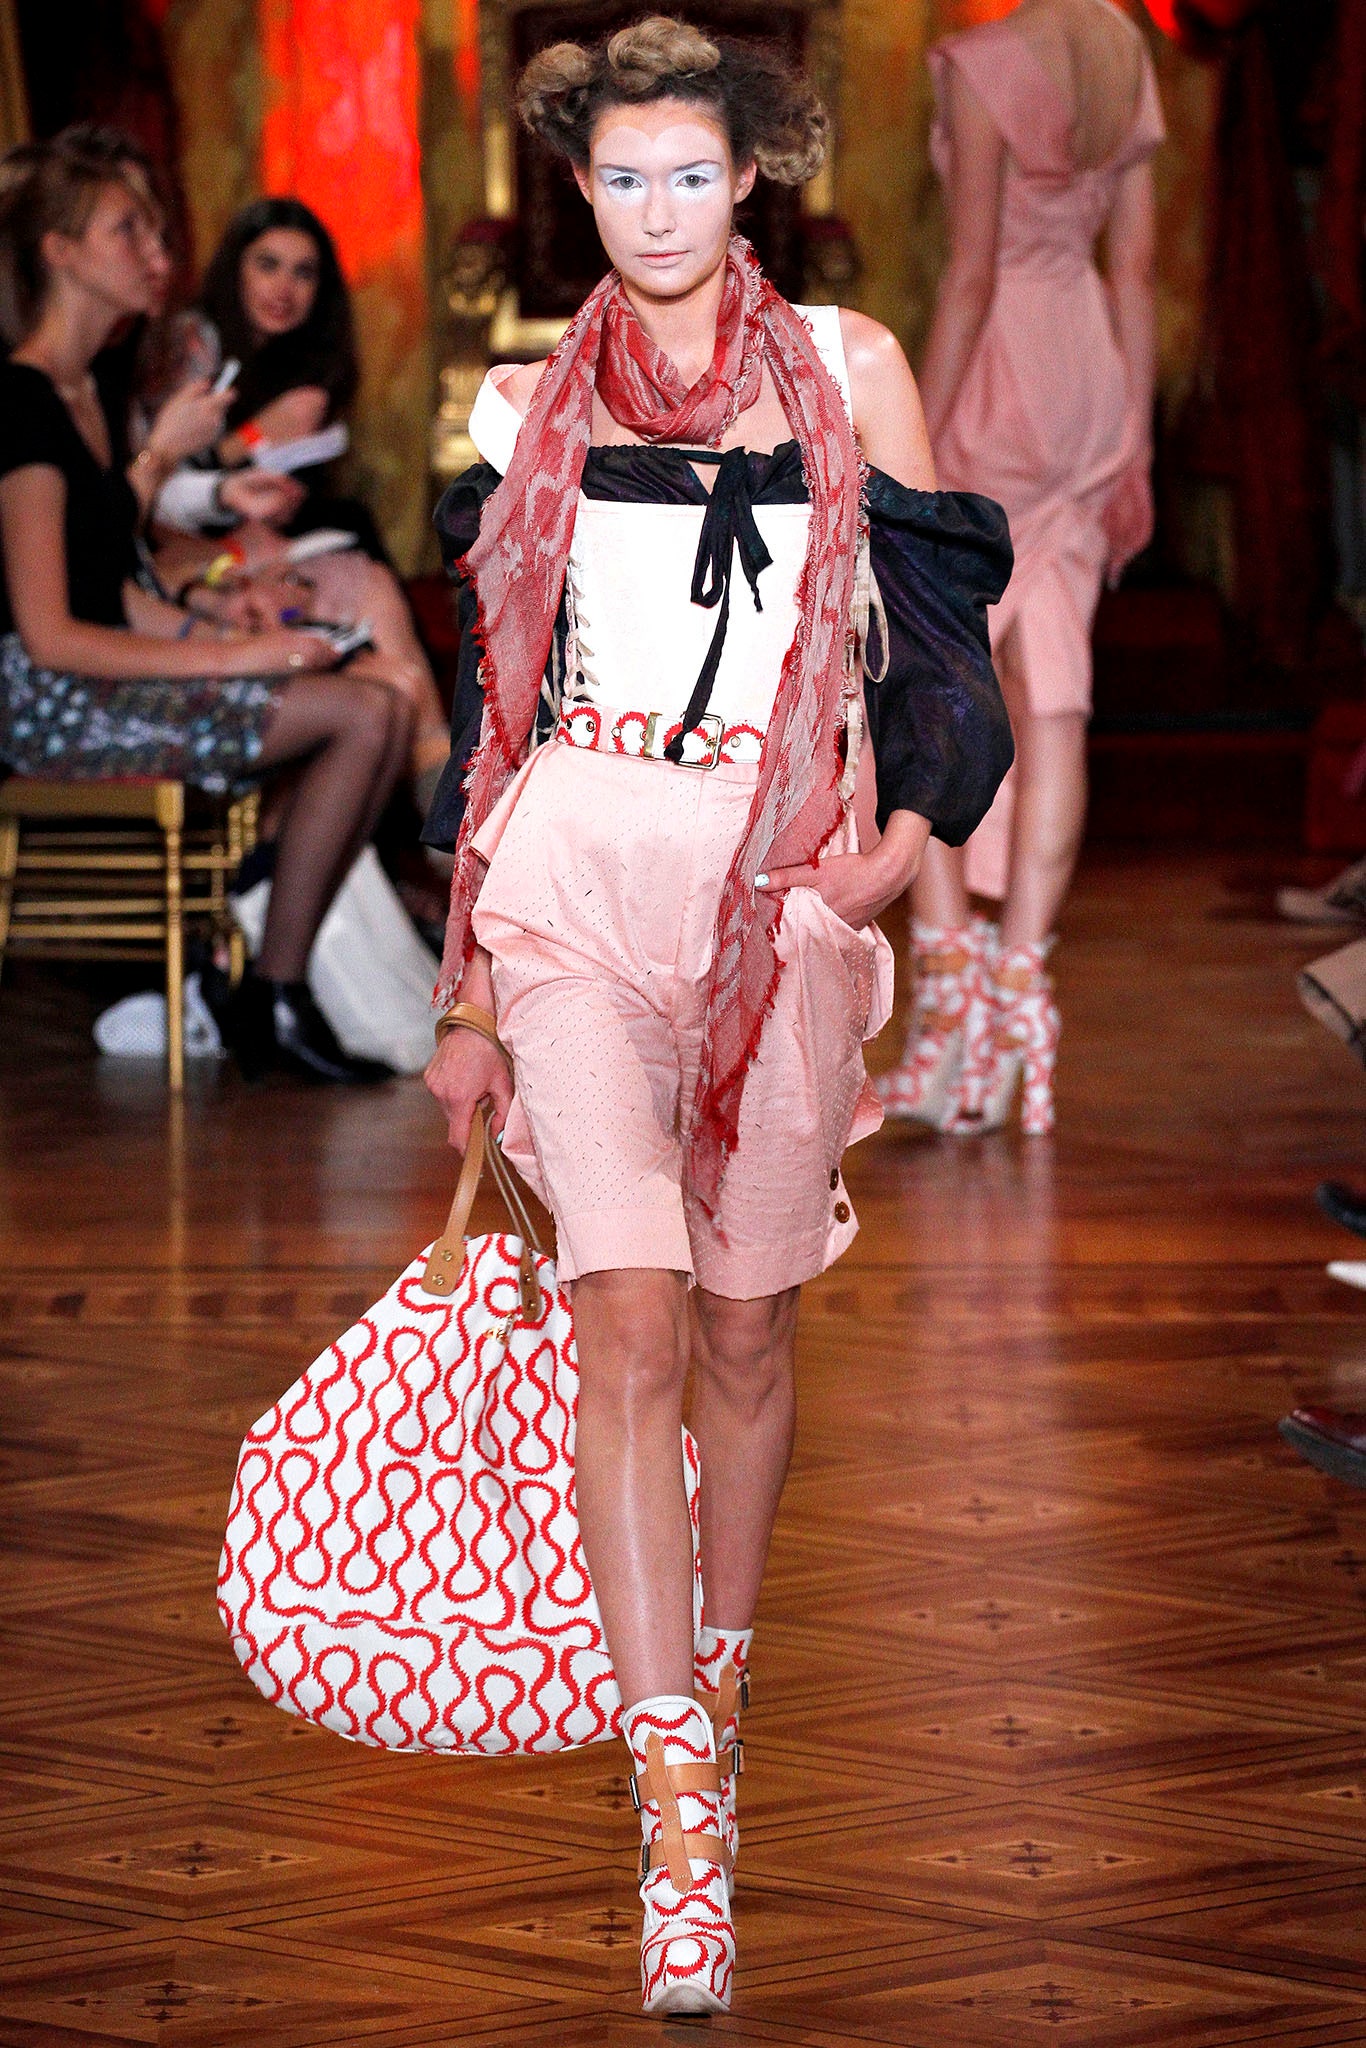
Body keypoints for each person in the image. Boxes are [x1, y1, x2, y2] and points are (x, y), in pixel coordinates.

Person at [422, 15, 1012, 2015]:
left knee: (749, 1333)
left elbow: (939, 643)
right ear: (574, 192)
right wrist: (470, 986)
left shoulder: (848, 371)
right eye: (619, 176)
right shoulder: (524, 408)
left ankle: (718, 1686)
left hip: (776, 897)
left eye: (691, 171)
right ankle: (679, 1812)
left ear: (747, 175)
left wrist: (893, 846)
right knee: (632, 1310)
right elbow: (486, 720)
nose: (656, 208)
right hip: (575, 868)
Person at [0, 128, 410, 1083]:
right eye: (126, 233)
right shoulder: (22, 403)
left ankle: (267, 973)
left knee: (375, 703)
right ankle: (270, 983)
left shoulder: (88, 391)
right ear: (60, 252)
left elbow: (116, 587)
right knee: (362, 714)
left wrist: (223, 625)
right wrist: (237, 657)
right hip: (44, 700)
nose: (156, 255)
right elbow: (49, 632)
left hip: (93, 676)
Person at [875, 0, 1163, 1135]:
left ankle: (947, 1003)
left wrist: (909, 447)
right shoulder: (1122, 50)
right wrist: (1132, 435)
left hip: (1000, 380)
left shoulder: (979, 61)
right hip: (1088, 372)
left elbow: (971, 275)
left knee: (928, 683)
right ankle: (1018, 999)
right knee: (1054, 702)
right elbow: (1133, 268)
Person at [190, 197, 451, 806]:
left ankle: (432, 810)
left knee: (368, 578)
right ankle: (436, 804)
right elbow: (163, 481)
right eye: (269, 265)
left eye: (303, 273)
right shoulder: (192, 349)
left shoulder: (312, 367)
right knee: (395, 661)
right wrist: (248, 441)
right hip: (200, 555)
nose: (284, 288)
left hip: (280, 543)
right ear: (235, 269)